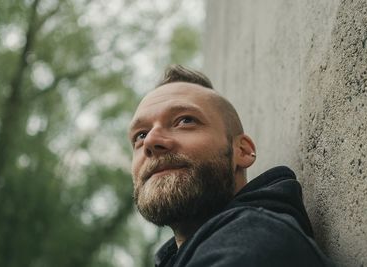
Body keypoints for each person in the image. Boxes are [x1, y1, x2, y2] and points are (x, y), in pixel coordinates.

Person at [128, 65, 334, 266]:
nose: (150, 142)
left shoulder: (256, 243)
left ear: (242, 151)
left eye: (185, 121)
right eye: (141, 135)